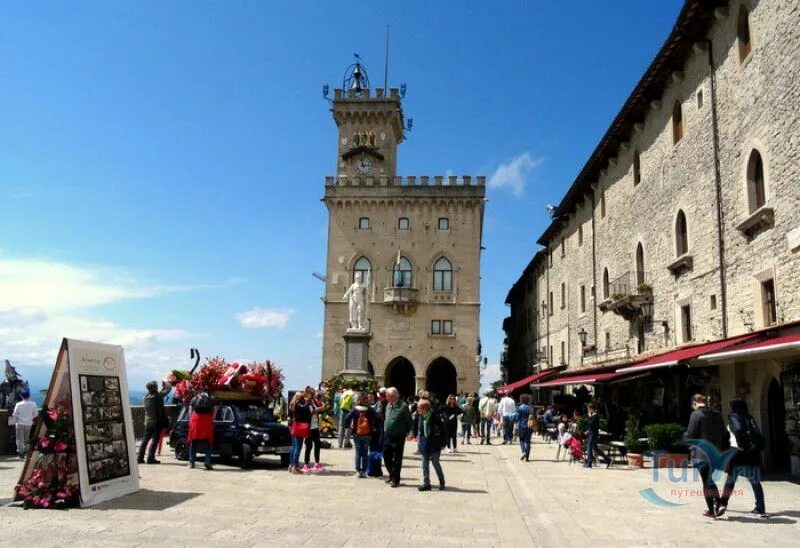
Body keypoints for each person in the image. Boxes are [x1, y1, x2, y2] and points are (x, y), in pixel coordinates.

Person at [717, 398, 767, 518]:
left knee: (730, 479)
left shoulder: (733, 417)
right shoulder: (749, 417)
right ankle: (760, 508)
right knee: (755, 481)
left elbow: (738, 431)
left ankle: (722, 503)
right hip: (752, 452)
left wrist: (741, 445)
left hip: (738, 452)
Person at [683, 393, 729, 519]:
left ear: (694, 403)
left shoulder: (696, 414)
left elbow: (691, 434)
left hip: (701, 453)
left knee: (707, 481)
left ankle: (715, 507)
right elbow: (725, 434)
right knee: (709, 479)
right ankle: (715, 507)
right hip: (716, 452)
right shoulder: (717, 414)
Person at [383, 387, 413, 487]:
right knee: (386, 455)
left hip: (398, 436)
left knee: (397, 458)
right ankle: (392, 474)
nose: (386, 397)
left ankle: (396, 479)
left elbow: (409, 421)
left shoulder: (403, 406)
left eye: (387, 395)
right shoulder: (388, 405)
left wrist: (406, 432)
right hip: (387, 435)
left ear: (393, 396)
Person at [345, 393, 378, 478]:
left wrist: (348, 427)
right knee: (365, 452)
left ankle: (358, 471)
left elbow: (347, 418)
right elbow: (376, 418)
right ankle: (364, 471)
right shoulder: (370, 409)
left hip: (357, 433)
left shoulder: (355, 409)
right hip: (368, 434)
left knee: (358, 452)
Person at [138, 381, 170, 465]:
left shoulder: (146, 397)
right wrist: (167, 383)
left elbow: (158, 394)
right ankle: (151, 458)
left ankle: (140, 458)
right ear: (154, 387)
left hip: (148, 422)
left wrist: (162, 388)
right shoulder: (158, 396)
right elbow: (168, 390)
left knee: (145, 440)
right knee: (155, 440)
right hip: (156, 422)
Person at [417, 398, 446, 491]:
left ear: (424, 408)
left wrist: (443, 443)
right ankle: (426, 484)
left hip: (435, 443)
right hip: (424, 443)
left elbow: (443, 431)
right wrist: (419, 443)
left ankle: (442, 481)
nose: (418, 410)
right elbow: (420, 431)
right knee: (424, 464)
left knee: (435, 463)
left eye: (419, 408)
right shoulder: (421, 417)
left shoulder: (436, 417)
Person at [187, 390, 215, 470]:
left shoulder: (194, 398)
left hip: (196, 419)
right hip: (207, 420)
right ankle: (207, 462)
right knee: (208, 441)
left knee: (194, 441)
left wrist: (191, 419)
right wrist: (212, 419)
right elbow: (215, 409)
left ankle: (191, 462)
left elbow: (190, 410)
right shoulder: (211, 398)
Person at [288, 391, 312, 475]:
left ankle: (291, 465)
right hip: (299, 426)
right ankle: (294, 466)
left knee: (294, 446)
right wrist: (308, 402)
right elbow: (306, 410)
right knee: (298, 447)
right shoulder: (298, 404)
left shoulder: (293, 404)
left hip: (294, 426)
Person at [303, 387, 326, 472]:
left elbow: (318, 409)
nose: (314, 395)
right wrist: (317, 410)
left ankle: (317, 463)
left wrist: (321, 408)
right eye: (312, 394)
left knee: (317, 445)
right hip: (308, 427)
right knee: (308, 446)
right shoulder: (305, 402)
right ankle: (306, 464)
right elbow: (309, 412)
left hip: (315, 426)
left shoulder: (314, 401)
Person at [11, 388, 37, 459]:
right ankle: (27, 452)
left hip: (19, 424)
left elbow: (14, 414)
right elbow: (35, 414)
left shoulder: (18, 404)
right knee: (27, 438)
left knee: (19, 439)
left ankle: (21, 453)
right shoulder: (33, 404)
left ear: (21, 396)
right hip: (29, 424)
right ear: (29, 395)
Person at [583, 403, 611, 468]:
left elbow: (590, 425)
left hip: (593, 435)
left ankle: (589, 462)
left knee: (589, 448)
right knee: (596, 449)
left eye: (589, 409)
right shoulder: (593, 416)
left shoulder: (595, 416)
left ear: (592, 409)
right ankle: (608, 460)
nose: (588, 410)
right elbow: (588, 425)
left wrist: (589, 417)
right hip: (592, 434)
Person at [516, 394, 534, 461]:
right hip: (529, 425)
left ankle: (523, 451)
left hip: (522, 425)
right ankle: (527, 457)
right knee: (528, 441)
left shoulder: (520, 407)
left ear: (521, 399)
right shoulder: (530, 407)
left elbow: (518, 417)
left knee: (521, 440)